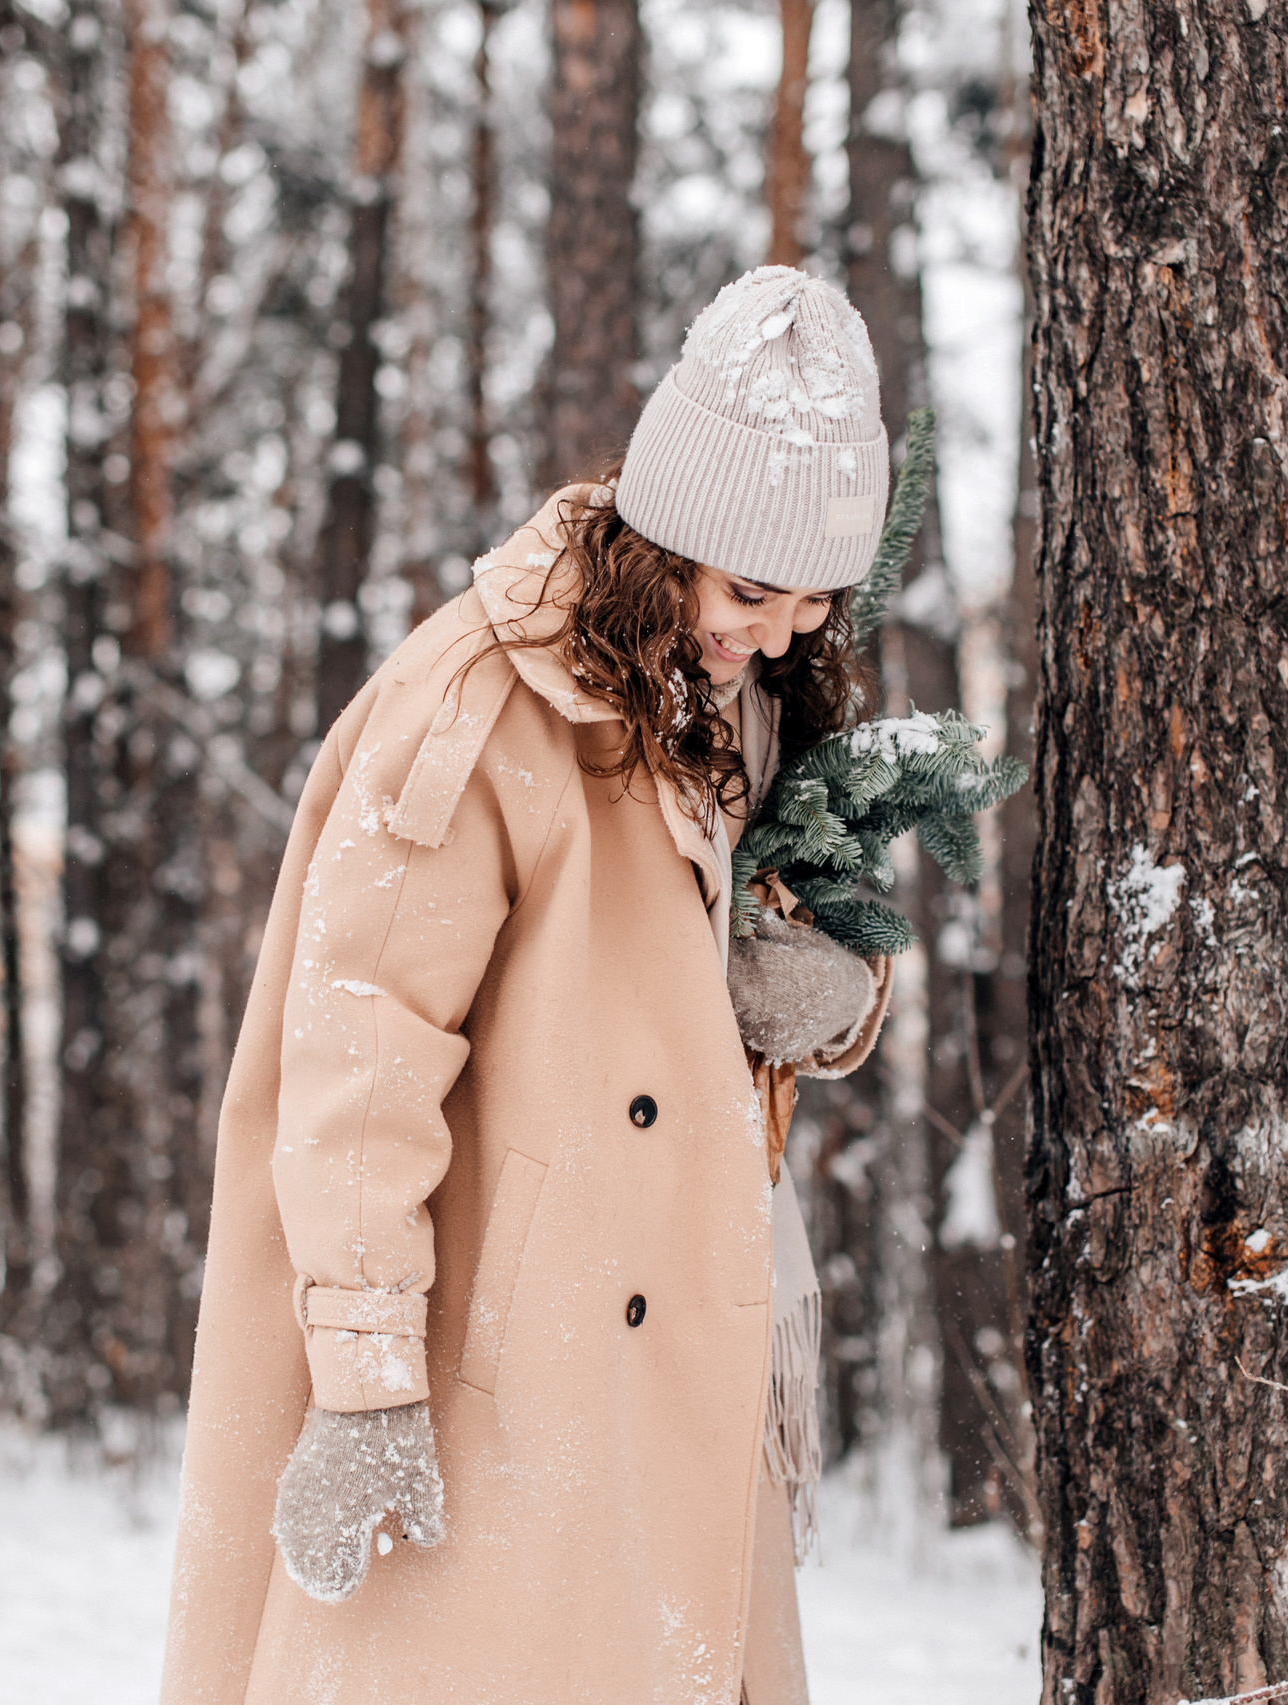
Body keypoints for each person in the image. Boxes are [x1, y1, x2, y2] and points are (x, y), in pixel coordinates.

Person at [161, 267, 898, 1705]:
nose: (778, 633)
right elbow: (361, 1051)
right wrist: (365, 1377)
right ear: (664, 540)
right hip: (498, 1366)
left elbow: (714, 970)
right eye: (752, 591)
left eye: (814, 601)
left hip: (663, 1342)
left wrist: (814, 990)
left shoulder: (735, 695)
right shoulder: (478, 705)